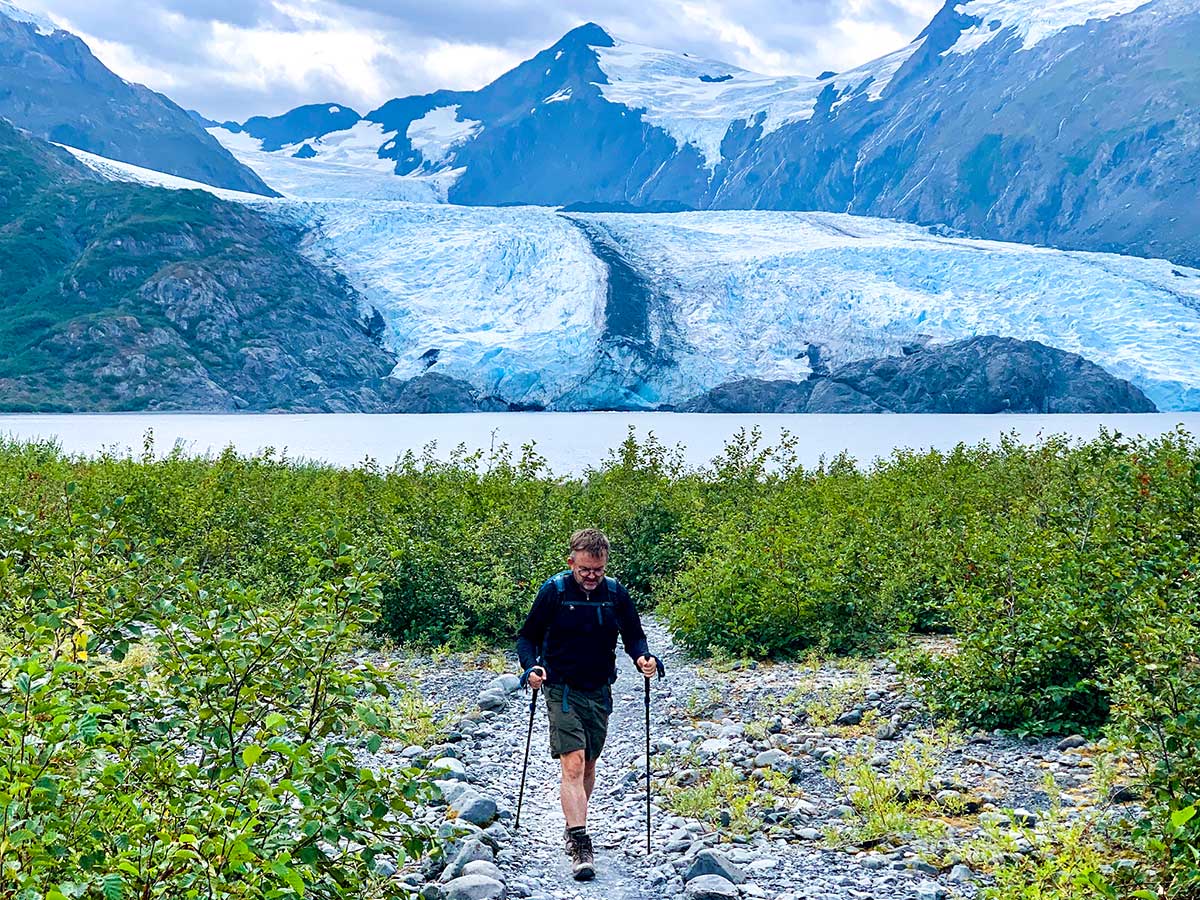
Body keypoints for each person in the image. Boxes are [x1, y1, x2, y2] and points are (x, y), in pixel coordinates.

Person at [516, 528, 658, 881]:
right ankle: (580, 842)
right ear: (572, 563)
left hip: (598, 689)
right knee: (574, 763)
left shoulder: (614, 593)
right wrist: (531, 666)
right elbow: (527, 637)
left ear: (604, 563)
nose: (591, 576)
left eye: (597, 569)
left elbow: (634, 635)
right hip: (560, 687)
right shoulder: (555, 591)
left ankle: (572, 825)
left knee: (589, 763)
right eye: (584, 570)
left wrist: (643, 657)